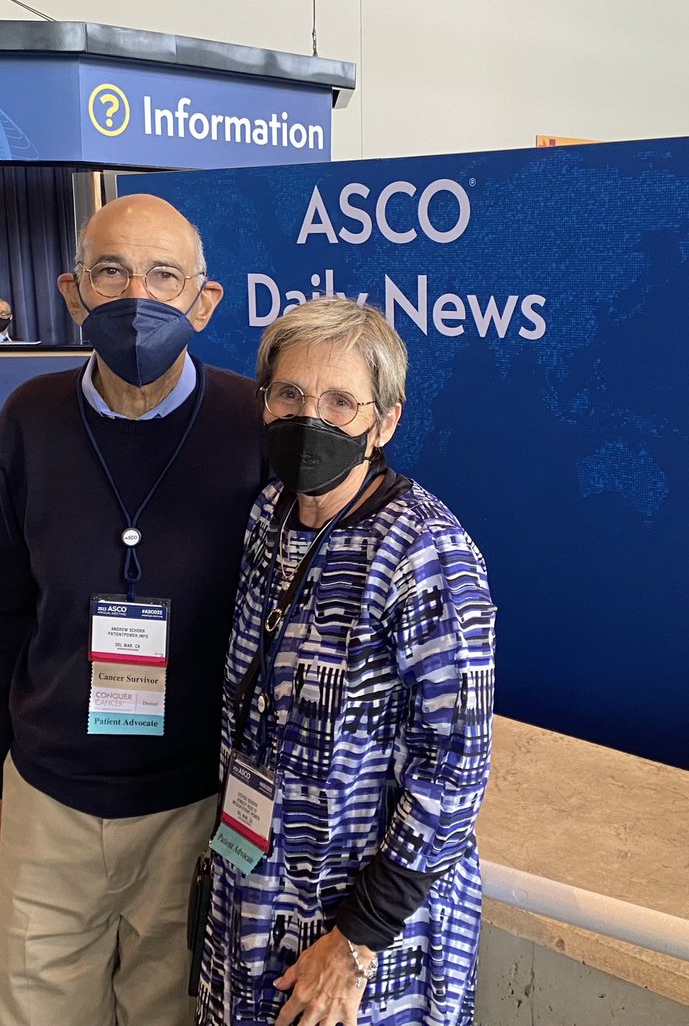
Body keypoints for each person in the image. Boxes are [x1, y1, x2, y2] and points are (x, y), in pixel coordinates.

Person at [0, 193, 268, 1026]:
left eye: (164, 274)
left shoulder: (256, 427)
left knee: (172, 1010)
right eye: (112, 271)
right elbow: (1, 608)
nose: (138, 294)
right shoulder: (30, 417)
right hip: (49, 797)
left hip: (194, 805)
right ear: (73, 293)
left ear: (205, 303)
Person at [196, 298, 496, 1026]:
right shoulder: (267, 517)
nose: (311, 417)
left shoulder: (424, 552)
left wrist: (358, 940)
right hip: (252, 894)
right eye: (290, 395)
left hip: (364, 943)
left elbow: (455, 768)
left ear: (384, 421)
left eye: (339, 401)